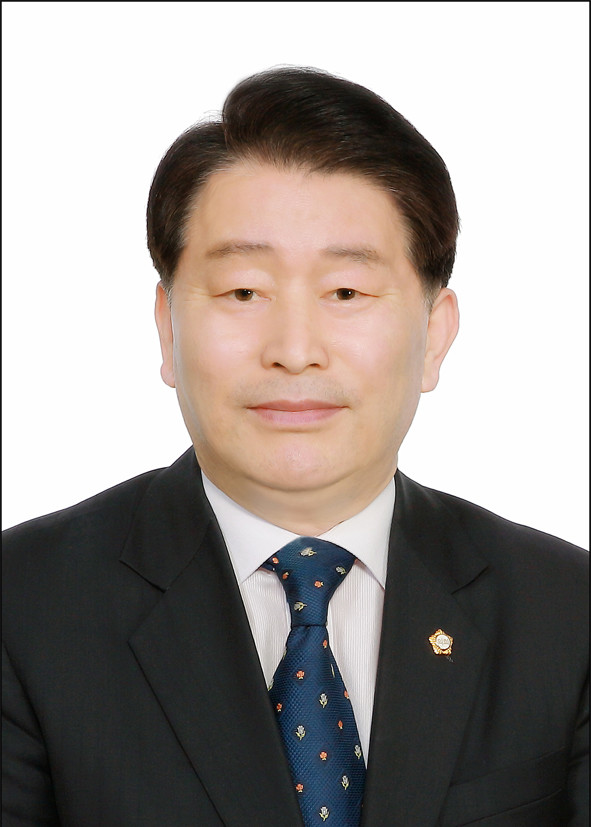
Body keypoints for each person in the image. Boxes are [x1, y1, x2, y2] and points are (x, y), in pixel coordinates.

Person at [2, 67, 588, 827]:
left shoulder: (565, 615)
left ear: (435, 335)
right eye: (244, 291)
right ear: (168, 329)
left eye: (346, 293)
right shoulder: (23, 609)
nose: (294, 349)